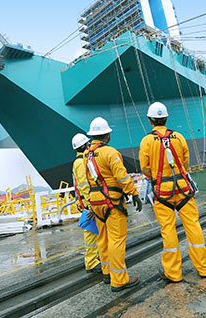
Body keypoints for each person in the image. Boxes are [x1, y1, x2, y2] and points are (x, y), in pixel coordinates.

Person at [139, 102, 206, 283]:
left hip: (162, 191)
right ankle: (203, 268)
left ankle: (173, 273)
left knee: (168, 230)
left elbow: (144, 168)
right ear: (166, 118)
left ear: (150, 121)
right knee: (193, 226)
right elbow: (185, 162)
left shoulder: (147, 141)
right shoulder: (178, 137)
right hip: (183, 188)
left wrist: (157, 177)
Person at [84, 117, 142, 292]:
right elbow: (122, 177)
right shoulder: (110, 152)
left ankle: (107, 273)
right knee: (117, 240)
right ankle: (119, 280)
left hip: (96, 201)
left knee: (103, 238)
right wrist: (134, 192)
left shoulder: (87, 155)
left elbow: (88, 179)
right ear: (106, 136)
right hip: (112, 202)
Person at [71, 133, 100, 273]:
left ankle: (94, 258)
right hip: (89, 204)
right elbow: (84, 185)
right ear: (85, 146)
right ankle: (91, 262)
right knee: (90, 234)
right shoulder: (80, 163)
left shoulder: (79, 161)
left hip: (87, 203)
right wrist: (91, 204)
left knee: (94, 233)